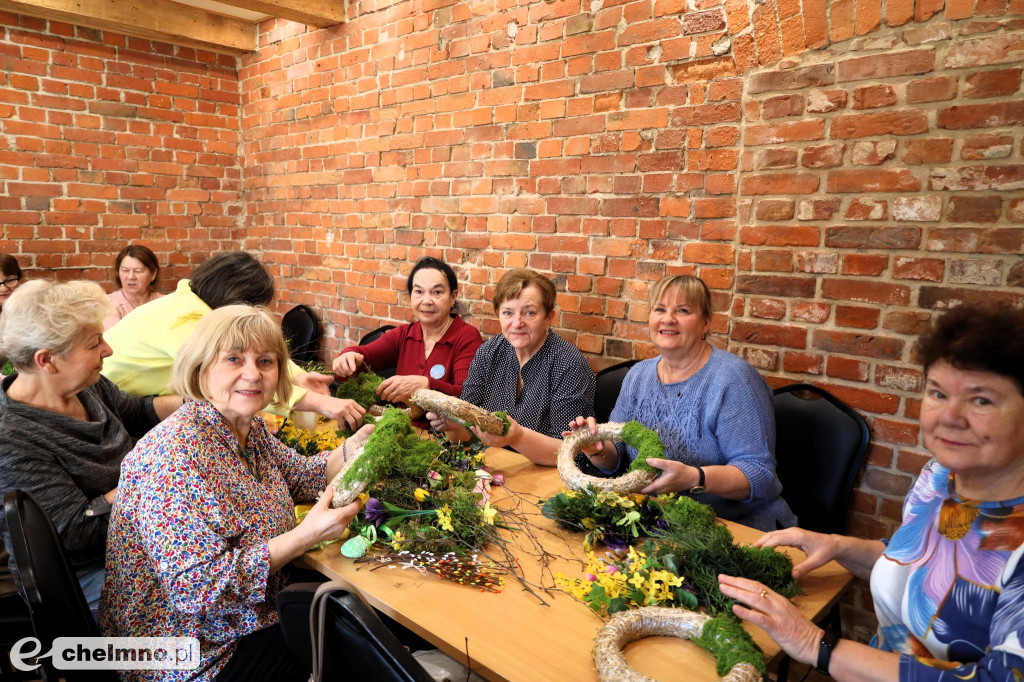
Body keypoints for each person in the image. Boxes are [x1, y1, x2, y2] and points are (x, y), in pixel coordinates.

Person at [719, 302, 1024, 681]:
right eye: (938, 393)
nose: (949, 417)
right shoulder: (939, 477)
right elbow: (911, 559)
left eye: (981, 400)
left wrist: (815, 644)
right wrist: (836, 545)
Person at [101, 305, 370, 682]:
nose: (252, 374)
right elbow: (199, 590)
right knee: (350, 654)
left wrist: (353, 450)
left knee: (354, 631)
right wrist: (306, 534)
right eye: (233, 359)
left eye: (265, 361)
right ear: (200, 367)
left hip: (247, 617)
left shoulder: (243, 426)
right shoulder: (175, 456)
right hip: (191, 650)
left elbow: (301, 475)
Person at [0, 280, 181, 613]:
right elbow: (75, 533)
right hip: (82, 578)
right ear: (47, 360)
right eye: (94, 342)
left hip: (137, 542)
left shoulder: (85, 387)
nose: (108, 350)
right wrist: (150, 473)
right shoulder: (11, 438)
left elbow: (139, 412)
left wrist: (202, 402)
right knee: (204, 613)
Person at [576, 274, 795, 532]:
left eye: (683, 310)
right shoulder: (637, 376)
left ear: (705, 323)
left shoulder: (734, 380)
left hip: (736, 529)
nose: (668, 319)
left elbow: (758, 474)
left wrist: (694, 478)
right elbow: (618, 458)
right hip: (660, 523)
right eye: (660, 309)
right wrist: (597, 450)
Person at [102, 251, 365, 429]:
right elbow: (237, 381)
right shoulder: (188, 320)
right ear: (238, 301)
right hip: (117, 413)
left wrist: (297, 377)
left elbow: (253, 356)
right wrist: (322, 403)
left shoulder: (192, 300)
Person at [428, 268, 596, 468]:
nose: (517, 323)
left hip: (547, 480)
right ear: (498, 314)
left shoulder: (568, 364)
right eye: (508, 312)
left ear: (549, 317)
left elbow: (572, 452)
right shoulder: (488, 353)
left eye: (529, 312)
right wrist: (452, 425)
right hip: (496, 469)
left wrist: (517, 437)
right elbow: (468, 429)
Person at [332, 256, 482, 404]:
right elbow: (363, 356)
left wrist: (426, 385)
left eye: (437, 292)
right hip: (402, 424)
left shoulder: (466, 337)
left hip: (446, 428)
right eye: (419, 292)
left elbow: (468, 398)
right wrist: (347, 357)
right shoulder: (404, 334)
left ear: (453, 297)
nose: (427, 301)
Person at [103, 244, 165, 330]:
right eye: (125, 270)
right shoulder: (108, 303)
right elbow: (115, 337)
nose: (131, 277)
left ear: (153, 274)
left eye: (138, 271)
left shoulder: (165, 302)